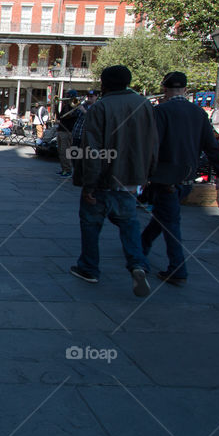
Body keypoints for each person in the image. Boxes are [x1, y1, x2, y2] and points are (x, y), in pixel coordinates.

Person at [71, 65, 158, 297]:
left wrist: (89, 183)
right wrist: (148, 174)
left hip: (103, 179)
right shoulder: (145, 105)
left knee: (90, 224)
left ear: (104, 83)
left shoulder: (101, 107)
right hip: (130, 179)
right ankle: (137, 264)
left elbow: (92, 148)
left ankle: (89, 267)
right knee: (129, 225)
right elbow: (153, 144)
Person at [140, 72, 219, 287]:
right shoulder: (198, 112)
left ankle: (177, 268)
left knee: (170, 222)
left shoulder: (160, 111)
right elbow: (211, 145)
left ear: (164, 89)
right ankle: (140, 246)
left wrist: (144, 174)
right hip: (188, 177)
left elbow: (152, 146)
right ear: (186, 90)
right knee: (163, 216)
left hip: (165, 176)